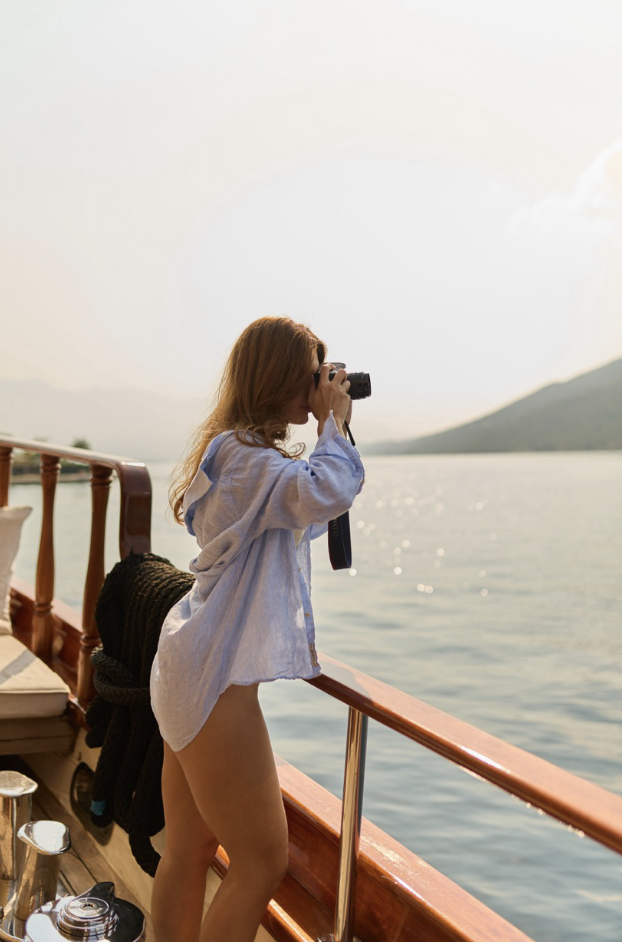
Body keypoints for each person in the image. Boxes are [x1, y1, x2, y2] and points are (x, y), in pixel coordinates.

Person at [149, 316, 365, 942]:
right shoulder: (248, 461)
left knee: (186, 852)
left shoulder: (237, 455)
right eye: (311, 376)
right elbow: (326, 490)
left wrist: (331, 425)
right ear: (277, 378)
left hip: (191, 667)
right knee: (262, 863)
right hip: (215, 684)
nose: (318, 387)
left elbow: (304, 511)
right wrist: (334, 425)